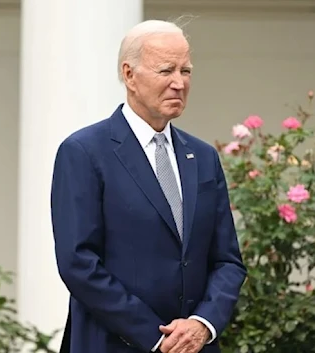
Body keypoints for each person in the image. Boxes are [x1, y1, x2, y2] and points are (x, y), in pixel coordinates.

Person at [50, 19, 247, 353]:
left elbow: (227, 261)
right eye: (166, 70)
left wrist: (202, 325)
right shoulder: (84, 152)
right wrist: (156, 337)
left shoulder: (202, 157)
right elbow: (78, 263)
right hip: (114, 344)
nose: (179, 83)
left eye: (186, 71)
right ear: (129, 75)